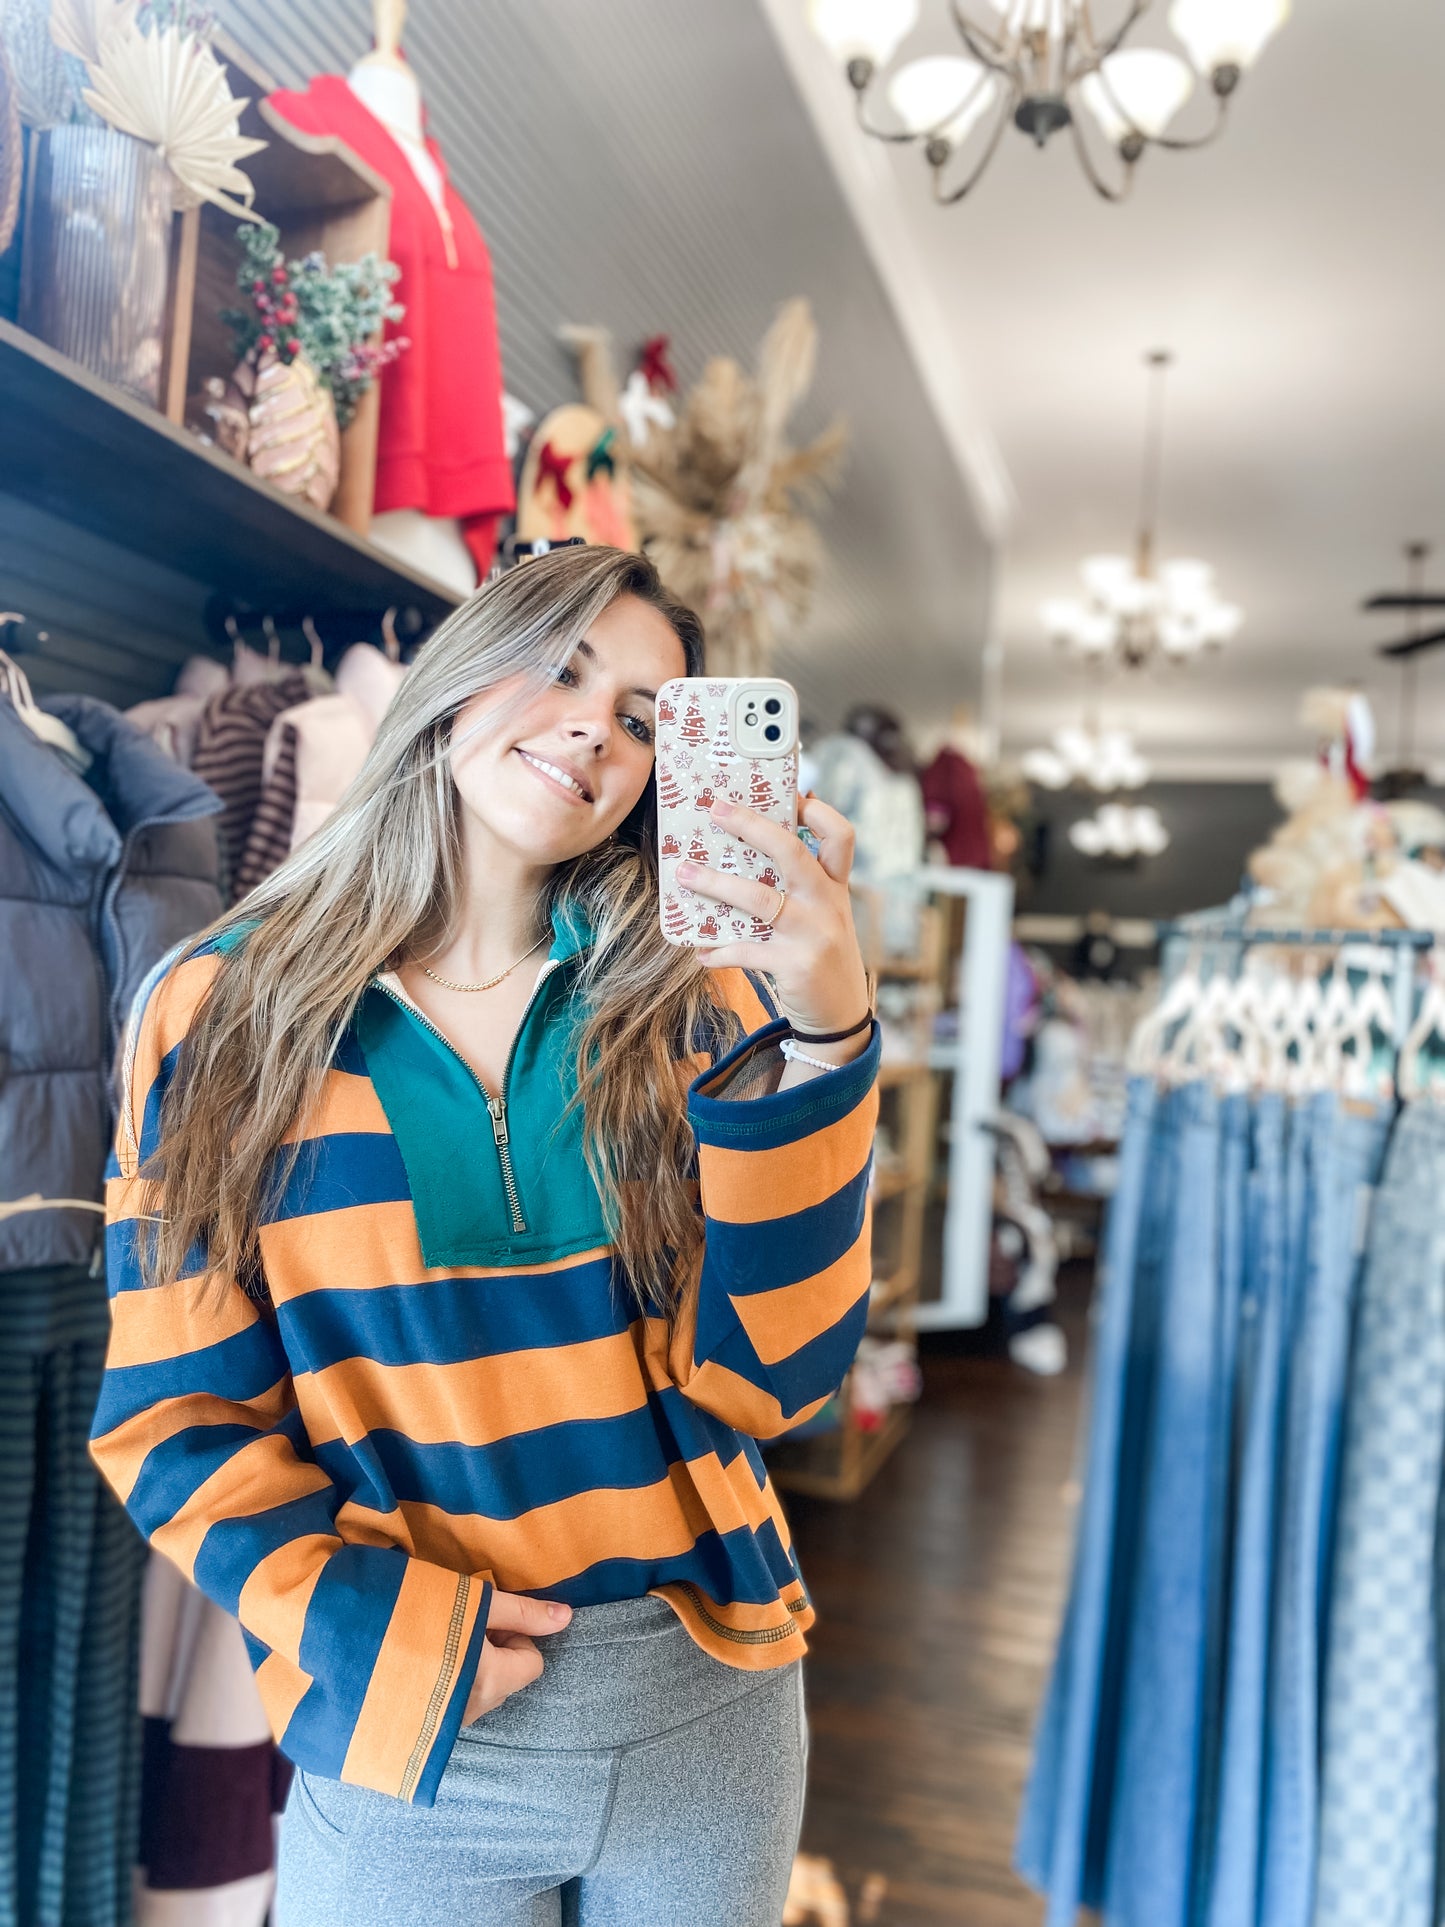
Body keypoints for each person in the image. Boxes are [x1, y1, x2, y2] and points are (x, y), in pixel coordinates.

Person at [91, 545, 880, 1927]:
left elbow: (780, 1380)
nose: (594, 729)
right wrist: (362, 1626)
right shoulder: (219, 1011)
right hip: (417, 1727)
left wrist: (825, 1035)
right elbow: (172, 1414)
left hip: (708, 1697)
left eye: (643, 718)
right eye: (561, 667)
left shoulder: (699, 1002)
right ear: (457, 676)